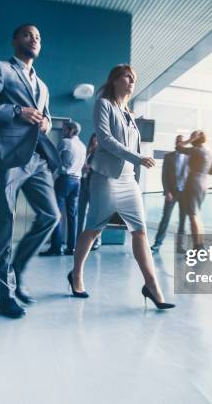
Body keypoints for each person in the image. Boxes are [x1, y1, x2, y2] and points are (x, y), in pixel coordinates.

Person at [0, 24, 61, 319]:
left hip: (36, 160)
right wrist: (16, 111)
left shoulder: (43, 86)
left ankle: (16, 270)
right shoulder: (1, 69)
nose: (34, 39)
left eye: (39, 37)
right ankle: (4, 295)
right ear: (15, 41)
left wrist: (46, 122)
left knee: (51, 216)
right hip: (6, 158)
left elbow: (44, 118)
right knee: (4, 225)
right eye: (28, 35)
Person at [68, 64, 175, 309]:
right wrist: (137, 158)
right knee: (94, 229)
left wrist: (135, 161)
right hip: (106, 178)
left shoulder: (128, 112)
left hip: (128, 180)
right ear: (114, 80)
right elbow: (105, 140)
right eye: (126, 77)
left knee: (139, 232)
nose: (131, 81)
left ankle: (152, 286)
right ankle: (76, 275)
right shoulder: (103, 105)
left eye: (133, 78)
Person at [40, 120, 86, 256]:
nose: (63, 132)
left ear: (70, 130)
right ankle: (71, 248)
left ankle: (56, 247)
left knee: (56, 214)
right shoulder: (82, 146)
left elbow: (53, 158)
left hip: (64, 181)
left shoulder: (66, 142)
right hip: (77, 182)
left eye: (64, 129)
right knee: (72, 216)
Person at [176, 130, 212, 250]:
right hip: (204, 183)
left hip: (193, 182)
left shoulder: (195, 150)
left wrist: (190, 140)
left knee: (193, 215)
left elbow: (179, 147)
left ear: (195, 140)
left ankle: (197, 247)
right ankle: (201, 245)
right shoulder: (208, 152)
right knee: (197, 215)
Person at [150, 134, 188, 254]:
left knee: (183, 220)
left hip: (185, 193)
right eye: (178, 141)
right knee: (165, 218)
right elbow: (164, 176)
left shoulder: (189, 157)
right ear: (175, 143)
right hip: (171, 192)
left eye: (182, 141)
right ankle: (157, 244)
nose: (179, 143)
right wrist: (167, 192)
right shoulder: (168, 156)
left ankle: (180, 246)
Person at [76, 133, 101, 251]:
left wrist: (90, 168)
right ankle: (80, 239)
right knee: (81, 213)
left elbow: (102, 168)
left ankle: (96, 241)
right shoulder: (88, 151)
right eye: (93, 138)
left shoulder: (100, 153)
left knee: (94, 215)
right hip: (84, 184)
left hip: (94, 186)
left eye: (97, 139)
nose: (95, 141)